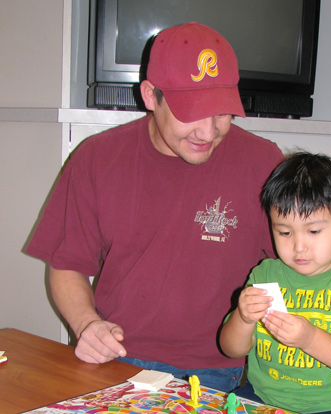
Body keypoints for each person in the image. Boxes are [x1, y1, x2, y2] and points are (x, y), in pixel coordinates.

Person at [26, 22, 284, 392]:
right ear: (151, 95)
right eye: (190, 112)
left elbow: (307, 266)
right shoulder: (97, 158)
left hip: (221, 369)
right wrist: (87, 325)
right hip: (118, 360)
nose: (207, 133)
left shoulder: (263, 162)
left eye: (221, 112)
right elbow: (66, 264)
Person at [219, 152, 331, 413]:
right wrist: (243, 318)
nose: (299, 246)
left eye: (314, 231)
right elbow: (231, 349)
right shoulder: (265, 274)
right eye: (285, 232)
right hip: (265, 398)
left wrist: (310, 339)